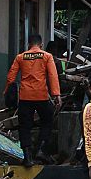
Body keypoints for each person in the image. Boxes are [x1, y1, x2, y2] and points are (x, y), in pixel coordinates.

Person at [4, 33, 61, 166]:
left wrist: (6, 92)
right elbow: (53, 76)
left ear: (29, 45)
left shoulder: (20, 57)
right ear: (41, 45)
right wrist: (56, 94)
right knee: (47, 121)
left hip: (25, 97)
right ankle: (41, 150)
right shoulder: (47, 56)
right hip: (41, 96)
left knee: (24, 127)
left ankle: (28, 158)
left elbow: (11, 77)